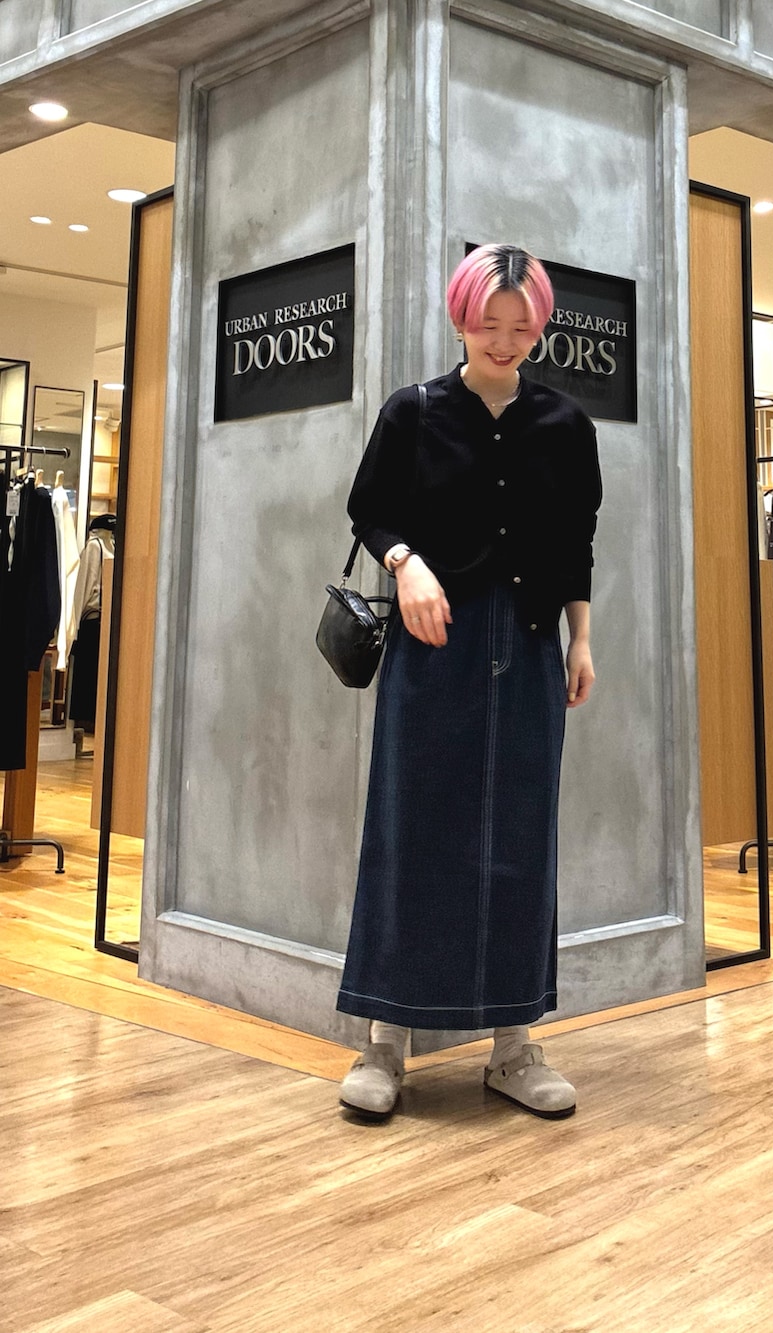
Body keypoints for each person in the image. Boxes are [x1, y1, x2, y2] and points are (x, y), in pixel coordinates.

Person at [335, 244, 602, 1123]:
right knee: (411, 829)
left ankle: (514, 1045)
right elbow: (370, 510)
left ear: (540, 327)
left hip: (529, 647)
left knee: (522, 836)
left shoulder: (565, 423)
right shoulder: (414, 411)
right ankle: (385, 1042)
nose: (504, 340)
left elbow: (574, 542)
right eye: (489, 323)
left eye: (521, 326)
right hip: (433, 645)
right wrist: (405, 563)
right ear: (460, 318)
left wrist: (581, 639)